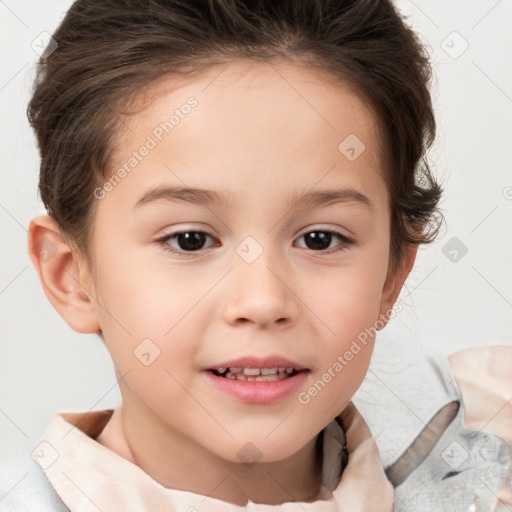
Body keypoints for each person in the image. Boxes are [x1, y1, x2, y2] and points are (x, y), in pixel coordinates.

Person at [5, 0, 511, 510]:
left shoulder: (481, 477)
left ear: (391, 276)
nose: (263, 300)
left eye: (320, 239)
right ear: (70, 276)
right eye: (190, 240)